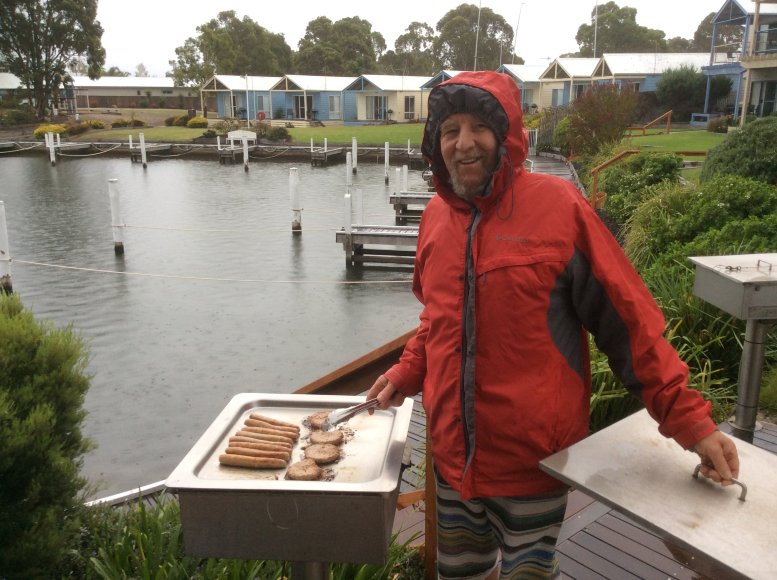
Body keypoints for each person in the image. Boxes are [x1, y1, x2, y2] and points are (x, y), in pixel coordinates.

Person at [366, 71, 740, 579]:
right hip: (452, 464)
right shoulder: (435, 217)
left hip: (533, 465)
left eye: (479, 127)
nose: (463, 142)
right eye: (450, 130)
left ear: (506, 135)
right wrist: (406, 371)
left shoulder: (561, 208)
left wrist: (691, 422)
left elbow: (628, 326)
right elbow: (438, 317)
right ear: (436, 143)